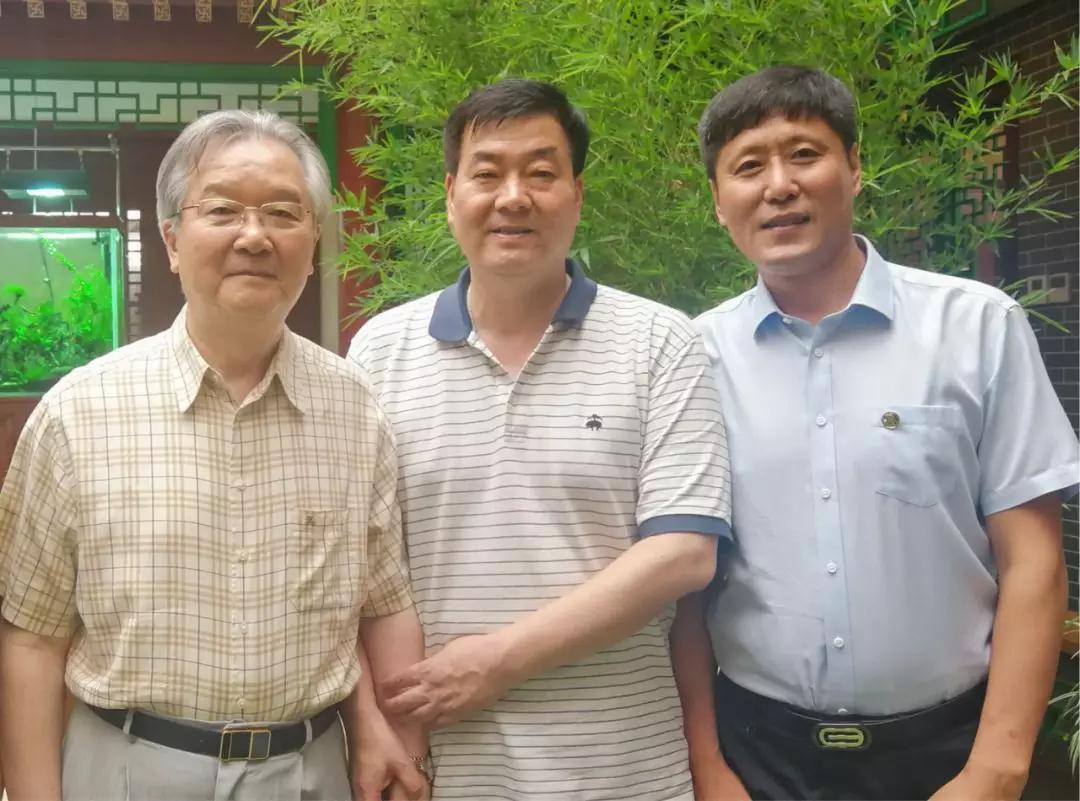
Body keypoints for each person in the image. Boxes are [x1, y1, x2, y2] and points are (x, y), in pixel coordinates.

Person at [672, 64, 1080, 801]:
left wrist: (997, 768)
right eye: (748, 166)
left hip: (949, 752)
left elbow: (1034, 561)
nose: (779, 186)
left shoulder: (977, 327)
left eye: (804, 154)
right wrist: (709, 767)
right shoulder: (692, 358)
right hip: (758, 756)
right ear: (718, 201)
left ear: (856, 168)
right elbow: (687, 585)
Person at [0, 109, 428, 801]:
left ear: (314, 240)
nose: (254, 236)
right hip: (128, 768)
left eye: (283, 213)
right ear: (172, 239)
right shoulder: (77, 413)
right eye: (223, 210)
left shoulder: (355, 408)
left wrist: (404, 749)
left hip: (309, 770)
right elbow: (31, 639)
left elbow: (382, 605)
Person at [347, 79, 732, 800]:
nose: (513, 197)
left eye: (541, 173)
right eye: (487, 174)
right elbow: (362, 565)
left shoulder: (660, 341)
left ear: (577, 195)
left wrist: (497, 661)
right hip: (443, 775)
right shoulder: (380, 351)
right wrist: (386, 735)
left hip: (623, 772)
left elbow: (683, 553)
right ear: (451, 195)